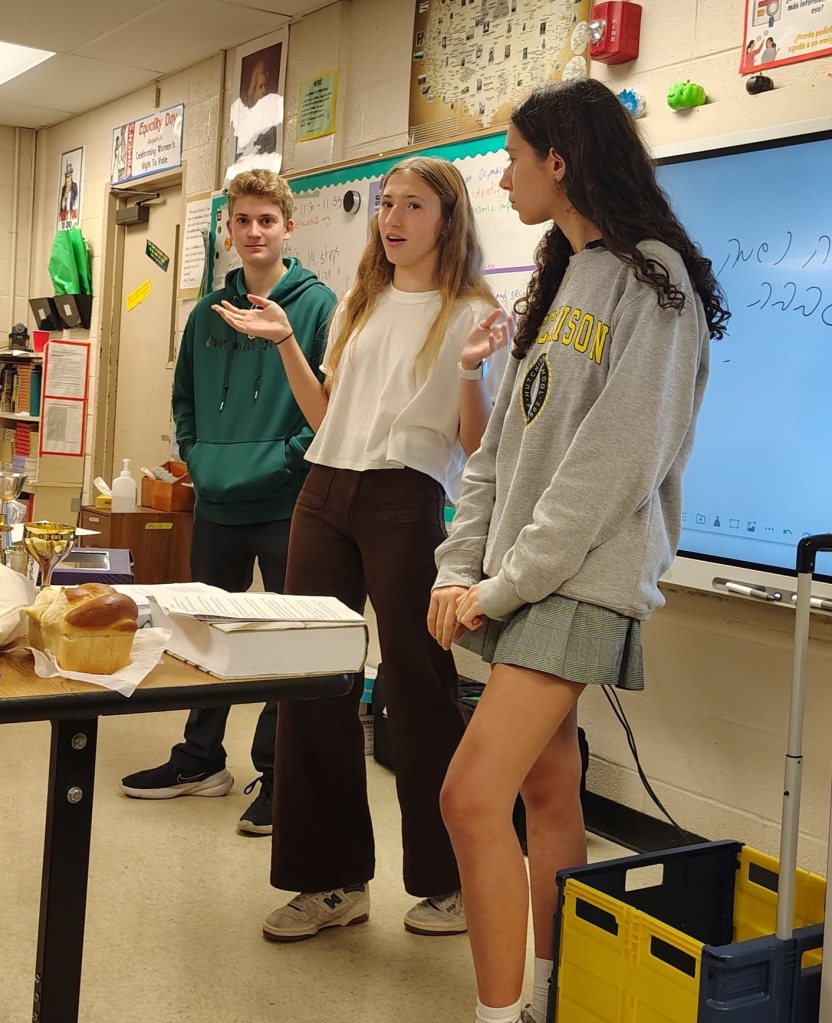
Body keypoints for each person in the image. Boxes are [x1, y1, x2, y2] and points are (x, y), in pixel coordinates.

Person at [427, 78, 730, 1023]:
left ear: (560, 160)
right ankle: (550, 1000)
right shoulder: (561, 279)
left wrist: (503, 584)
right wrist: (457, 568)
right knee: (551, 787)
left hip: (575, 583)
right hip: (524, 584)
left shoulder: (656, 278)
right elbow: (500, 455)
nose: (505, 177)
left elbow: (611, 469)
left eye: (514, 158)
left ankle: (498, 1016)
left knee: (470, 797)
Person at [211, 155, 510, 942]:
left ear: (448, 219)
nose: (392, 218)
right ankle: (330, 880)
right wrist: (284, 343)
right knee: (313, 679)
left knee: (417, 683)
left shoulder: (474, 308)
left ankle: (447, 882)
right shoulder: (361, 299)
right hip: (324, 490)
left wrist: (475, 373)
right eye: (386, 204)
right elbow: (327, 414)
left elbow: (478, 447)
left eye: (412, 205)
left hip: (406, 497)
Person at [119, 169, 336, 836]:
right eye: (242, 220)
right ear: (229, 229)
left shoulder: (319, 305)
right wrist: (199, 453)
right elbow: (184, 394)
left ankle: (277, 775)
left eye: (266, 219)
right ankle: (200, 759)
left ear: (288, 226)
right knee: (204, 631)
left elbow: (328, 399)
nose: (253, 231)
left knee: (279, 641)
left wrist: (283, 456)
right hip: (216, 495)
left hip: (283, 497)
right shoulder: (206, 311)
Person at [228, 56, 283, 178]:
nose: (264, 90)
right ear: (253, 89)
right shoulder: (243, 122)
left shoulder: (272, 121)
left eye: (265, 85)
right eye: (260, 86)